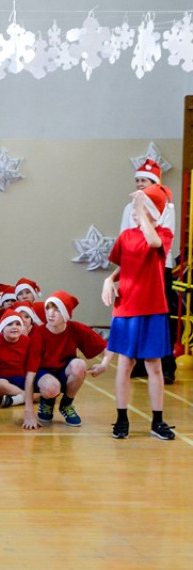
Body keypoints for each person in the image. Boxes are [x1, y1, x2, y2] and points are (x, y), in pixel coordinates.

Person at [102, 184, 176, 440]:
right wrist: (108, 280)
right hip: (127, 309)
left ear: (155, 212)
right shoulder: (126, 237)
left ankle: (157, 420)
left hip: (153, 308)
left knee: (154, 365)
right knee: (124, 364)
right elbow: (124, 267)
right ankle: (122, 419)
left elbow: (153, 240)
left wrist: (142, 207)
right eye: (136, 208)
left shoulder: (164, 233)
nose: (135, 212)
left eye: (143, 208)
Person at [119, 159, 177, 384]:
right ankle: (140, 362)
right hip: (135, 269)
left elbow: (163, 237)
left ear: (154, 182)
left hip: (158, 268)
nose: (139, 183)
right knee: (136, 316)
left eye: (144, 180)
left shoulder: (167, 206)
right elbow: (125, 235)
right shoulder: (128, 207)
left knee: (161, 317)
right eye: (137, 180)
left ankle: (166, 365)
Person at [21, 291, 109, 430]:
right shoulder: (39, 334)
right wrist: (28, 412)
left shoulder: (75, 328)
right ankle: (47, 400)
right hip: (43, 375)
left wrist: (104, 364)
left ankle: (66, 404)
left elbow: (107, 346)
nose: (50, 313)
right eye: (48, 308)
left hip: (64, 372)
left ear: (66, 314)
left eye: (57, 310)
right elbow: (30, 375)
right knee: (51, 387)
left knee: (79, 365)